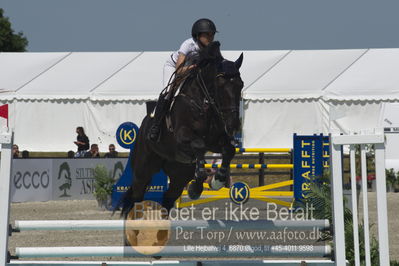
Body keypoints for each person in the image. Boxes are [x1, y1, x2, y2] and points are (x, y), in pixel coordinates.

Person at [148, 18, 217, 142]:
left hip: (191, 71)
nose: (210, 37)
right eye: (207, 34)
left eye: (212, 34)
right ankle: (155, 126)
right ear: (198, 35)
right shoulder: (188, 44)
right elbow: (179, 70)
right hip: (174, 67)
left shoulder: (210, 48)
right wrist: (194, 67)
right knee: (168, 92)